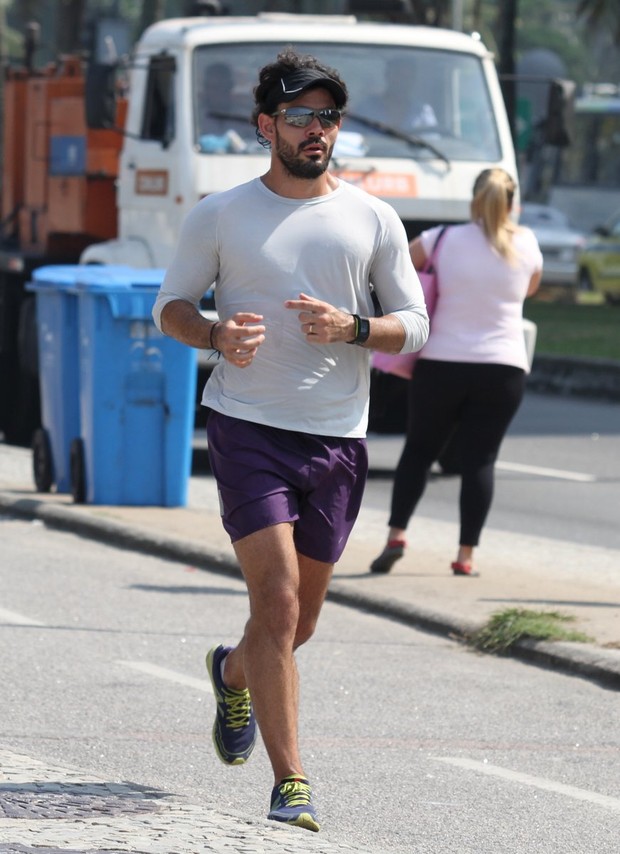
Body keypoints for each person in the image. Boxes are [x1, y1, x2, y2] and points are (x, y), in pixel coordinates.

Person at [152, 48, 429, 832]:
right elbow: (169, 306)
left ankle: (232, 673)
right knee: (273, 603)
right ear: (266, 125)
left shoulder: (372, 217)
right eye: (302, 116)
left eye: (329, 117)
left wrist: (355, 328)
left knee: (296, 626)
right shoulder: (220, 213)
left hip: (338, 437)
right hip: (246, 427)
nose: (318, 130)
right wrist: (211, 332)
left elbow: (415, 323)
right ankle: (292, 781)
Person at [370, 168, 543, 577]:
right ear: (512, 201)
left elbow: (396, 269)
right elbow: (530, 289)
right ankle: (465, 556)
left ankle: (396, 534)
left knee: (418, 451)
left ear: (473, 198)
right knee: (480, 461)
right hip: (503, 369)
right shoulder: (527, 243)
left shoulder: (441, 239)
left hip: (442, 364)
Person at [357, 56, 438, 133]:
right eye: (398, 75)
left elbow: (432, 142)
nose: (402, 82)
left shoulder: (422, 113)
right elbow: (351, 141)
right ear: (387, 76)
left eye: (407, 77)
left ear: (413, 80)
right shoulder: (365, 109)